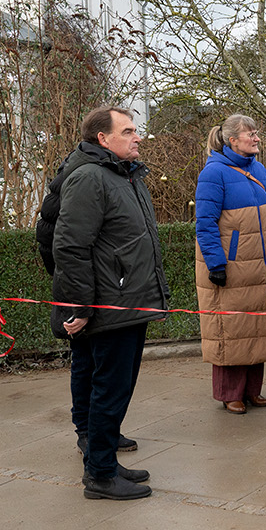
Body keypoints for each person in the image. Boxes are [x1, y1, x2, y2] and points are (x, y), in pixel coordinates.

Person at [53, 106, 164, 500]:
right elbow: (70, 246)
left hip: (129, 301)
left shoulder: (124, 175)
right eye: (129, 131)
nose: (138, 137)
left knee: (117, 387)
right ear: (104, 138)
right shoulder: (90, 178)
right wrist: (80, 307)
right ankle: (99, 474)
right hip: (111, 305)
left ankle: (105, 462)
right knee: (108, 388)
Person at [194, 114, 266, 415]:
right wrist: (216, 264)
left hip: (258, 265)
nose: (257, 138)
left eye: (257, 133)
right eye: (251, 134)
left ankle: (251, 391)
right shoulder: (213, 173)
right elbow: (205, 223)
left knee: (256, 326)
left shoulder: (258, 169)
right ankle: (229, 393)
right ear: (232, 140)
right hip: (231, 267)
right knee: (231, 328)